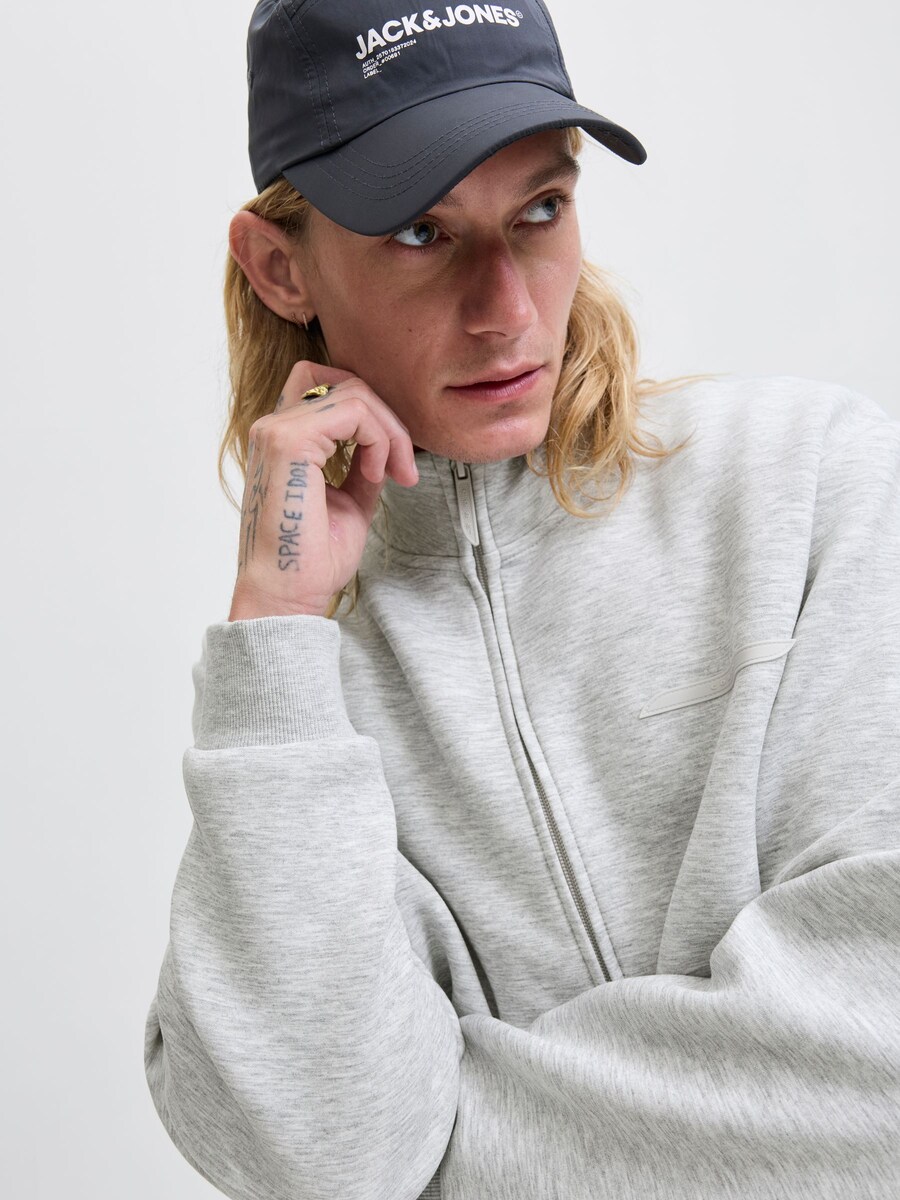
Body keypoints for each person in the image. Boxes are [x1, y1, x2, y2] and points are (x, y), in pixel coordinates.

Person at [143, 2, 900, 1197]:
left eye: (540, 209)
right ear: (280, 267)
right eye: (420, 232)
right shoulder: (304, 710)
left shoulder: (813, 487)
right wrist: (275, 633)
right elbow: (318, 1154)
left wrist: (449, 1138)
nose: (504, 309)